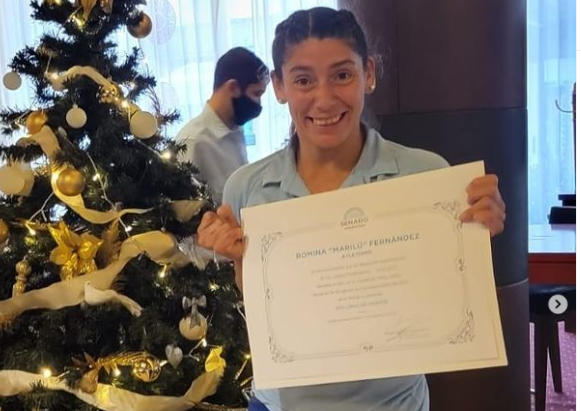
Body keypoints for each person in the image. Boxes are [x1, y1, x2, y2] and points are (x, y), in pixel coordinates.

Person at [197, 7, 506, 411]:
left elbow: (445, 292)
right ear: (279, 86)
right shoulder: (246, 188)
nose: (325, 99)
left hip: (393, 405)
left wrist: (480, 227)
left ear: (369, 73)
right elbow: (265, 307)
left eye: (342, 75)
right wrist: (232, 256)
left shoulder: (427, 175)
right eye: (303, 80)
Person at [175, 47, 269, 204]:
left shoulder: (235, 129)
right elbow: (185, 209)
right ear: (233, 88)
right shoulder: (193, 142)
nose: (258, 103)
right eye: (256, 94)